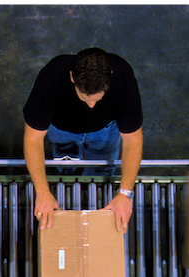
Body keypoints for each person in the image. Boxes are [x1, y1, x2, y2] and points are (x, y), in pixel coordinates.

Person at [23, 47, 144, 234]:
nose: (91, 106)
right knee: (65, 158)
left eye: (97, 99)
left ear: (110, 77)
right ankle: (66, 172)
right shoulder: (52, 77)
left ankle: (99, 178)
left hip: (105, 131)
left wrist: (125, 193)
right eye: (84, 98)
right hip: (62, 130)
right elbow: (33, 138)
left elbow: (132, 140)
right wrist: (43, 192)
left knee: (103, 165)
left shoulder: (122, 77)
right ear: (72, 78)